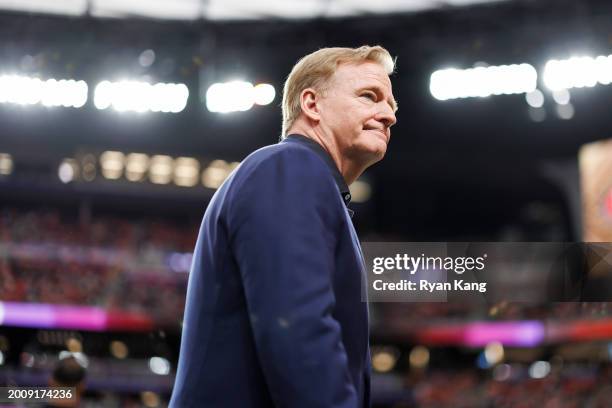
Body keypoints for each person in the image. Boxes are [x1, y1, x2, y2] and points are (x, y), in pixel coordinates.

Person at [170, 45, 397, 408]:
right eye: (369, 96)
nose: (388, 115)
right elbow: (298, 331)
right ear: (311, 104)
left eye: (391, 105)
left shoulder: (308, 181)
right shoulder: (291, 167)